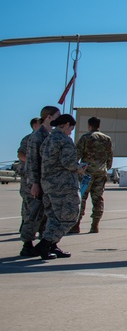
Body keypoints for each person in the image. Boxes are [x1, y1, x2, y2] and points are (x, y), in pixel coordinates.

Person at [33, 114, 87, 260]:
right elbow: (68, 163)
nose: (71, 131)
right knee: (70, 217)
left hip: (48, 185)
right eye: (71, 128)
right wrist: (79, 168)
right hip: (64, 185)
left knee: (53, 217)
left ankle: (51, 246)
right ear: (67, 124)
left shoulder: (47, 140)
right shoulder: (64, 141)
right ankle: (45, 244)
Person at [20, 106, 61, 257]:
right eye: (58, 115)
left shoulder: (50, 135)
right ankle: (27, 245)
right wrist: (34, 183)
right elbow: (31, 162)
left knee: (48, 215)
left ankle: (49, 244)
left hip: (47, 183)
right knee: (32, 215)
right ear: (49, 117)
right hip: (36, 183)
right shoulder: (37, 136)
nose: (60, 118)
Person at [73, 116, 114, 234]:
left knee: (82, 198)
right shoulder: (107, 139)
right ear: (99, 126)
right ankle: (95, 225)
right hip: (101, 172)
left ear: (89, 125)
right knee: (98, 198)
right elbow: (110, 157)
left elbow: (77, 155)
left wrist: (75, 168)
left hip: (86, 173)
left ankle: (76, 224)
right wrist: (105, 168)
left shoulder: (85, 138)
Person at [17, 118, 41, 246]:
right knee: (29, 205)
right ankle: (26, 231)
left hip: (38, 176)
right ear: (34, 125)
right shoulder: (29, 138)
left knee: (35, 207)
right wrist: (33, 160)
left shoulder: (43, 138)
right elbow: (20, 154)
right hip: (28, 177)